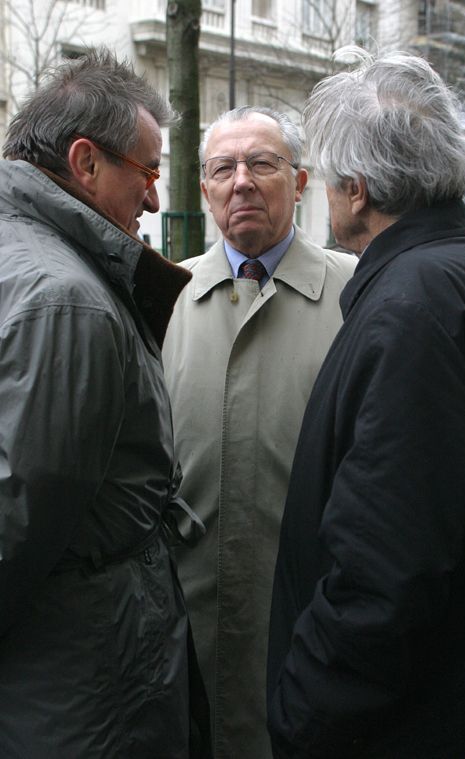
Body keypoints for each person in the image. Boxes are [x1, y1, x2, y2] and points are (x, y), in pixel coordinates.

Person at [267, 46, 465, 758]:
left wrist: (299, 712)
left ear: (357, 189)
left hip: (413, 722)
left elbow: (386, 573)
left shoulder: (414, 306)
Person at [0, 48, 210, 758]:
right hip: (84, 693)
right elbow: (15, 525)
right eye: (148, 171)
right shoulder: (68, 302)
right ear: (86, 163)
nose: (155, 197)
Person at [162, 106, 356, 759]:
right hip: (185, 640)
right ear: (205, 190)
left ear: (300, 182)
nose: (241, 181)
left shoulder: (359, 293)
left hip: (318, 638)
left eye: (262, 164)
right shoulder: (163, 297)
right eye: (223, 168)